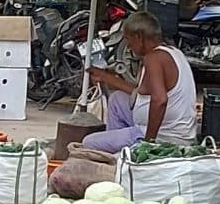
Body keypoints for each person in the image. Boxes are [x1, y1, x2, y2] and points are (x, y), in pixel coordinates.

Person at [82, 13, 196, 153]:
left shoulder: (153, 58)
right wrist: (104, 76)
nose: (128, 46)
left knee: (89, 143)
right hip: (175, 130)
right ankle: (120, 152)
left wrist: (149, 143)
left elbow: (160, 100)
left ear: (139, 37)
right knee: (117, 99)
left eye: (128, 40)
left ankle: (121, 155)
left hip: (166, 137)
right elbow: (140, 92)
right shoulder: (173, 53)